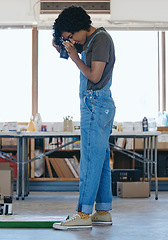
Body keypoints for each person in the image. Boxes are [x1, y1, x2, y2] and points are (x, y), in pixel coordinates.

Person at [52, 6, 116, 230]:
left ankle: (83, 213)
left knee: (89, 159)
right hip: (98, 105)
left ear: (79, 27)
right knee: (100, 160)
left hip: (95, 104)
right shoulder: (91, 41)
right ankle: (103, 211)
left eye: (71, 37)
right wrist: (65, 49)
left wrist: (74, 57)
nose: (74, 42)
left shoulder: (100, 40)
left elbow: (94, 75)